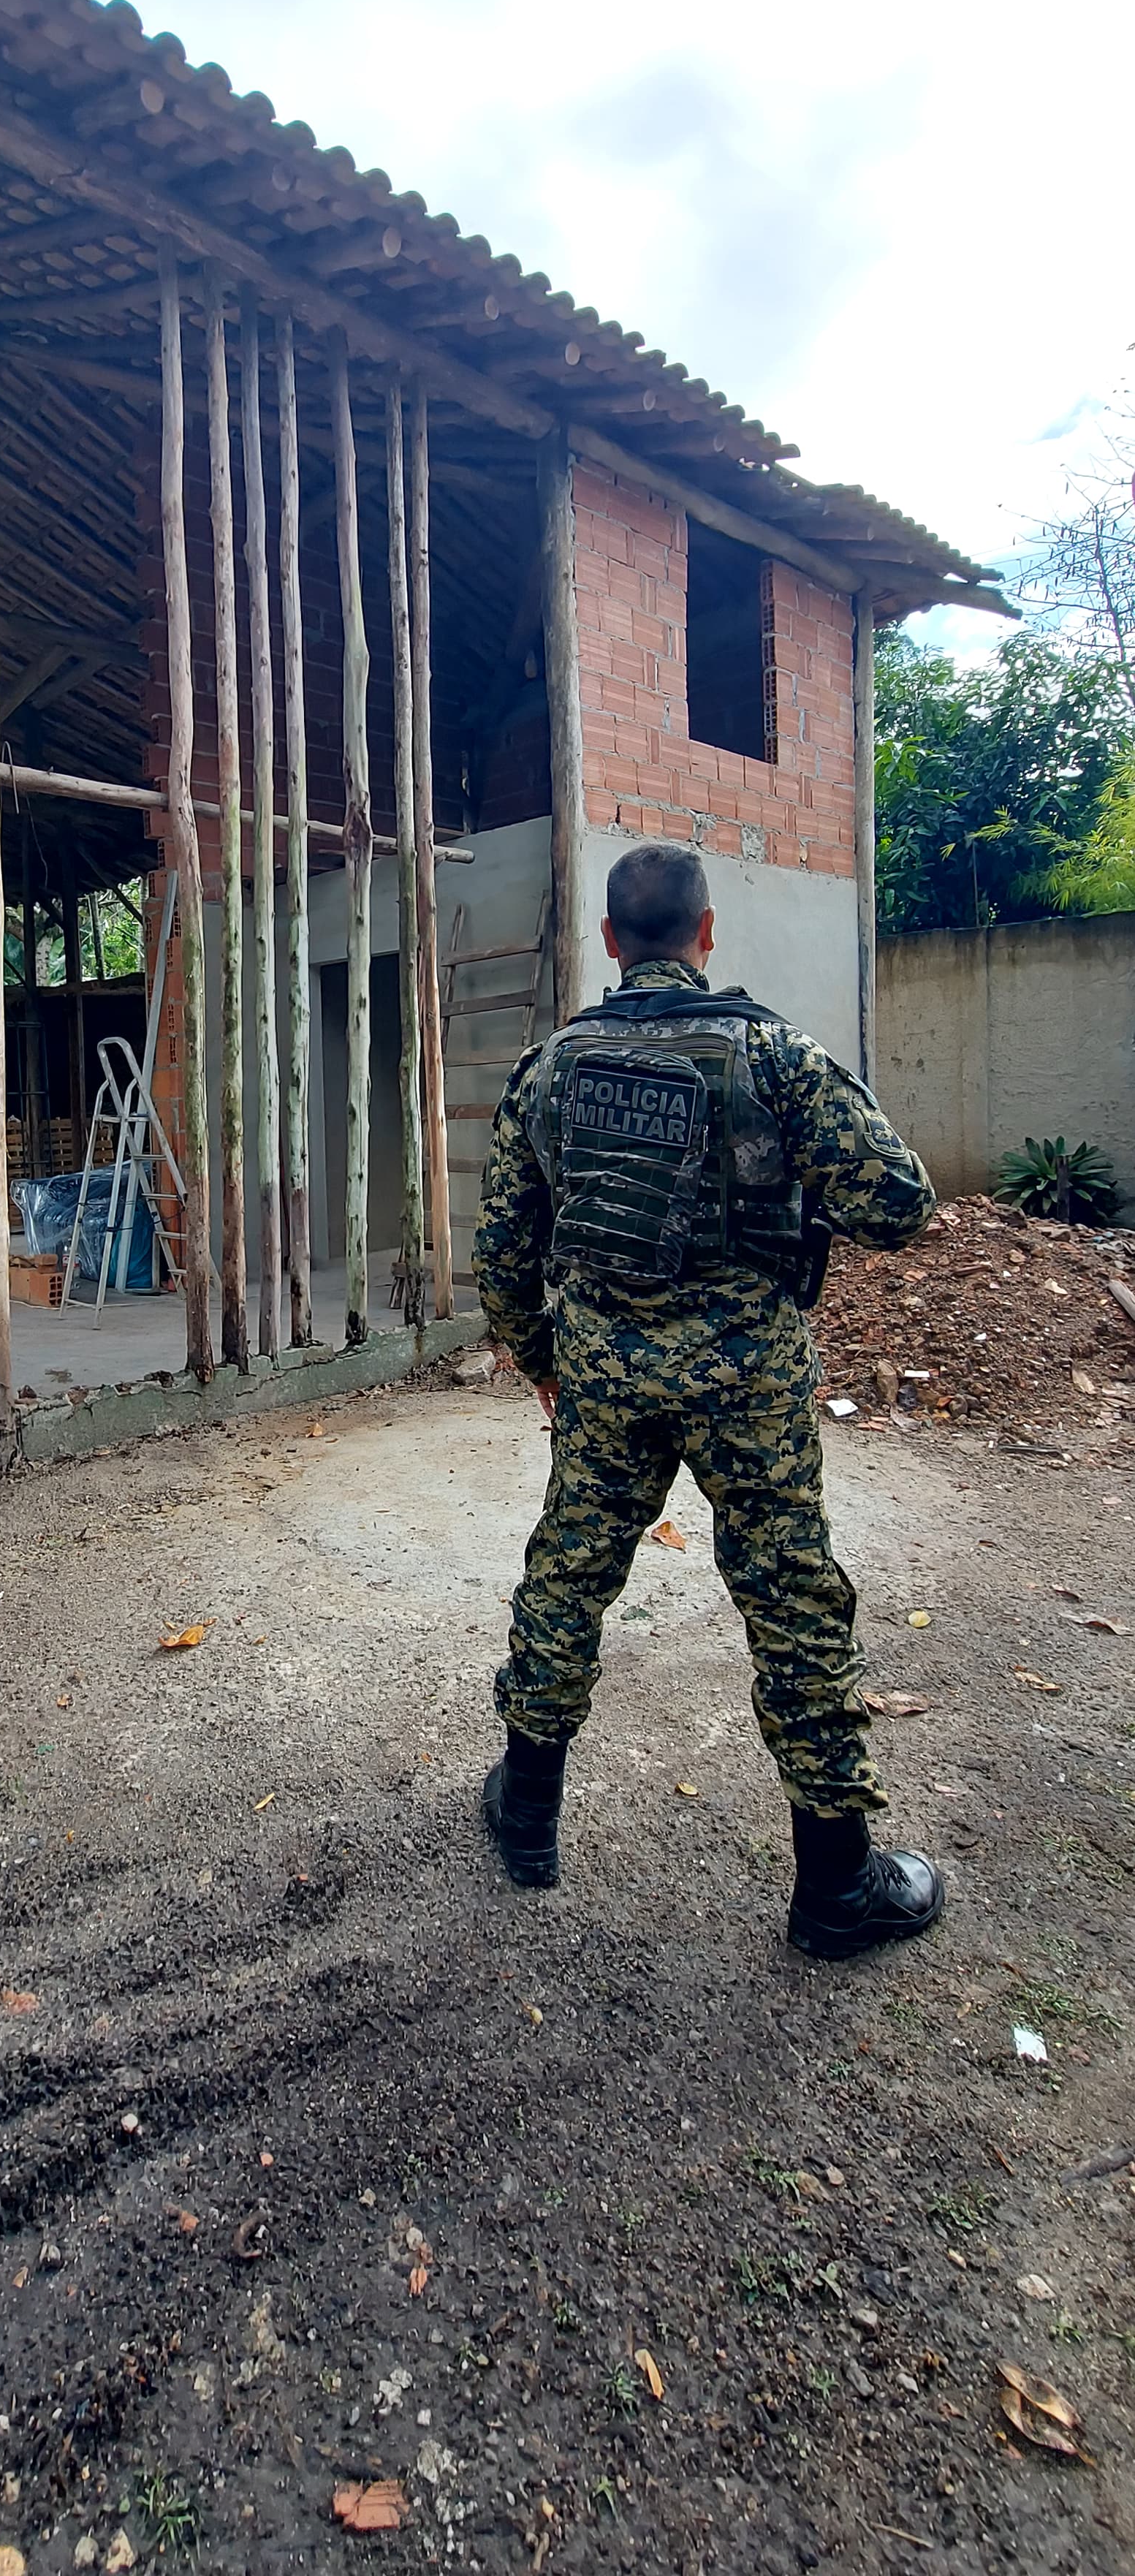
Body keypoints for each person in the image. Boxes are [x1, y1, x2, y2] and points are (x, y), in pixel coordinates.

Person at [473, 839, 944, 1960]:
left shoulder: (548, 1070)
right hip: (749, 1382)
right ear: (708, 931)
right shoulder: (772, 1053)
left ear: (608, 941)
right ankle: (837, 1886)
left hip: (603, 1379)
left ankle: (527, 1817)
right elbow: (899, 1203)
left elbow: (500, 1250)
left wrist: (543, 1360)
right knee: (792, 1601)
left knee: (570, 1574)